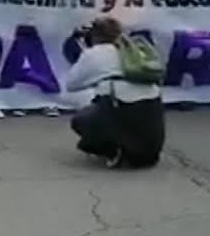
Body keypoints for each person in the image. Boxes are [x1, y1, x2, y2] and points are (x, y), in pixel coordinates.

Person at [64, 17, 165, 168]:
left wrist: (96, 78)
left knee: (81, 120)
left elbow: (71, 85)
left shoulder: (94, 53)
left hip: (120, 106)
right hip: (152, 110)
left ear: (94, 36)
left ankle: (112, 150)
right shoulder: (135, 48)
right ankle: (140, 151)